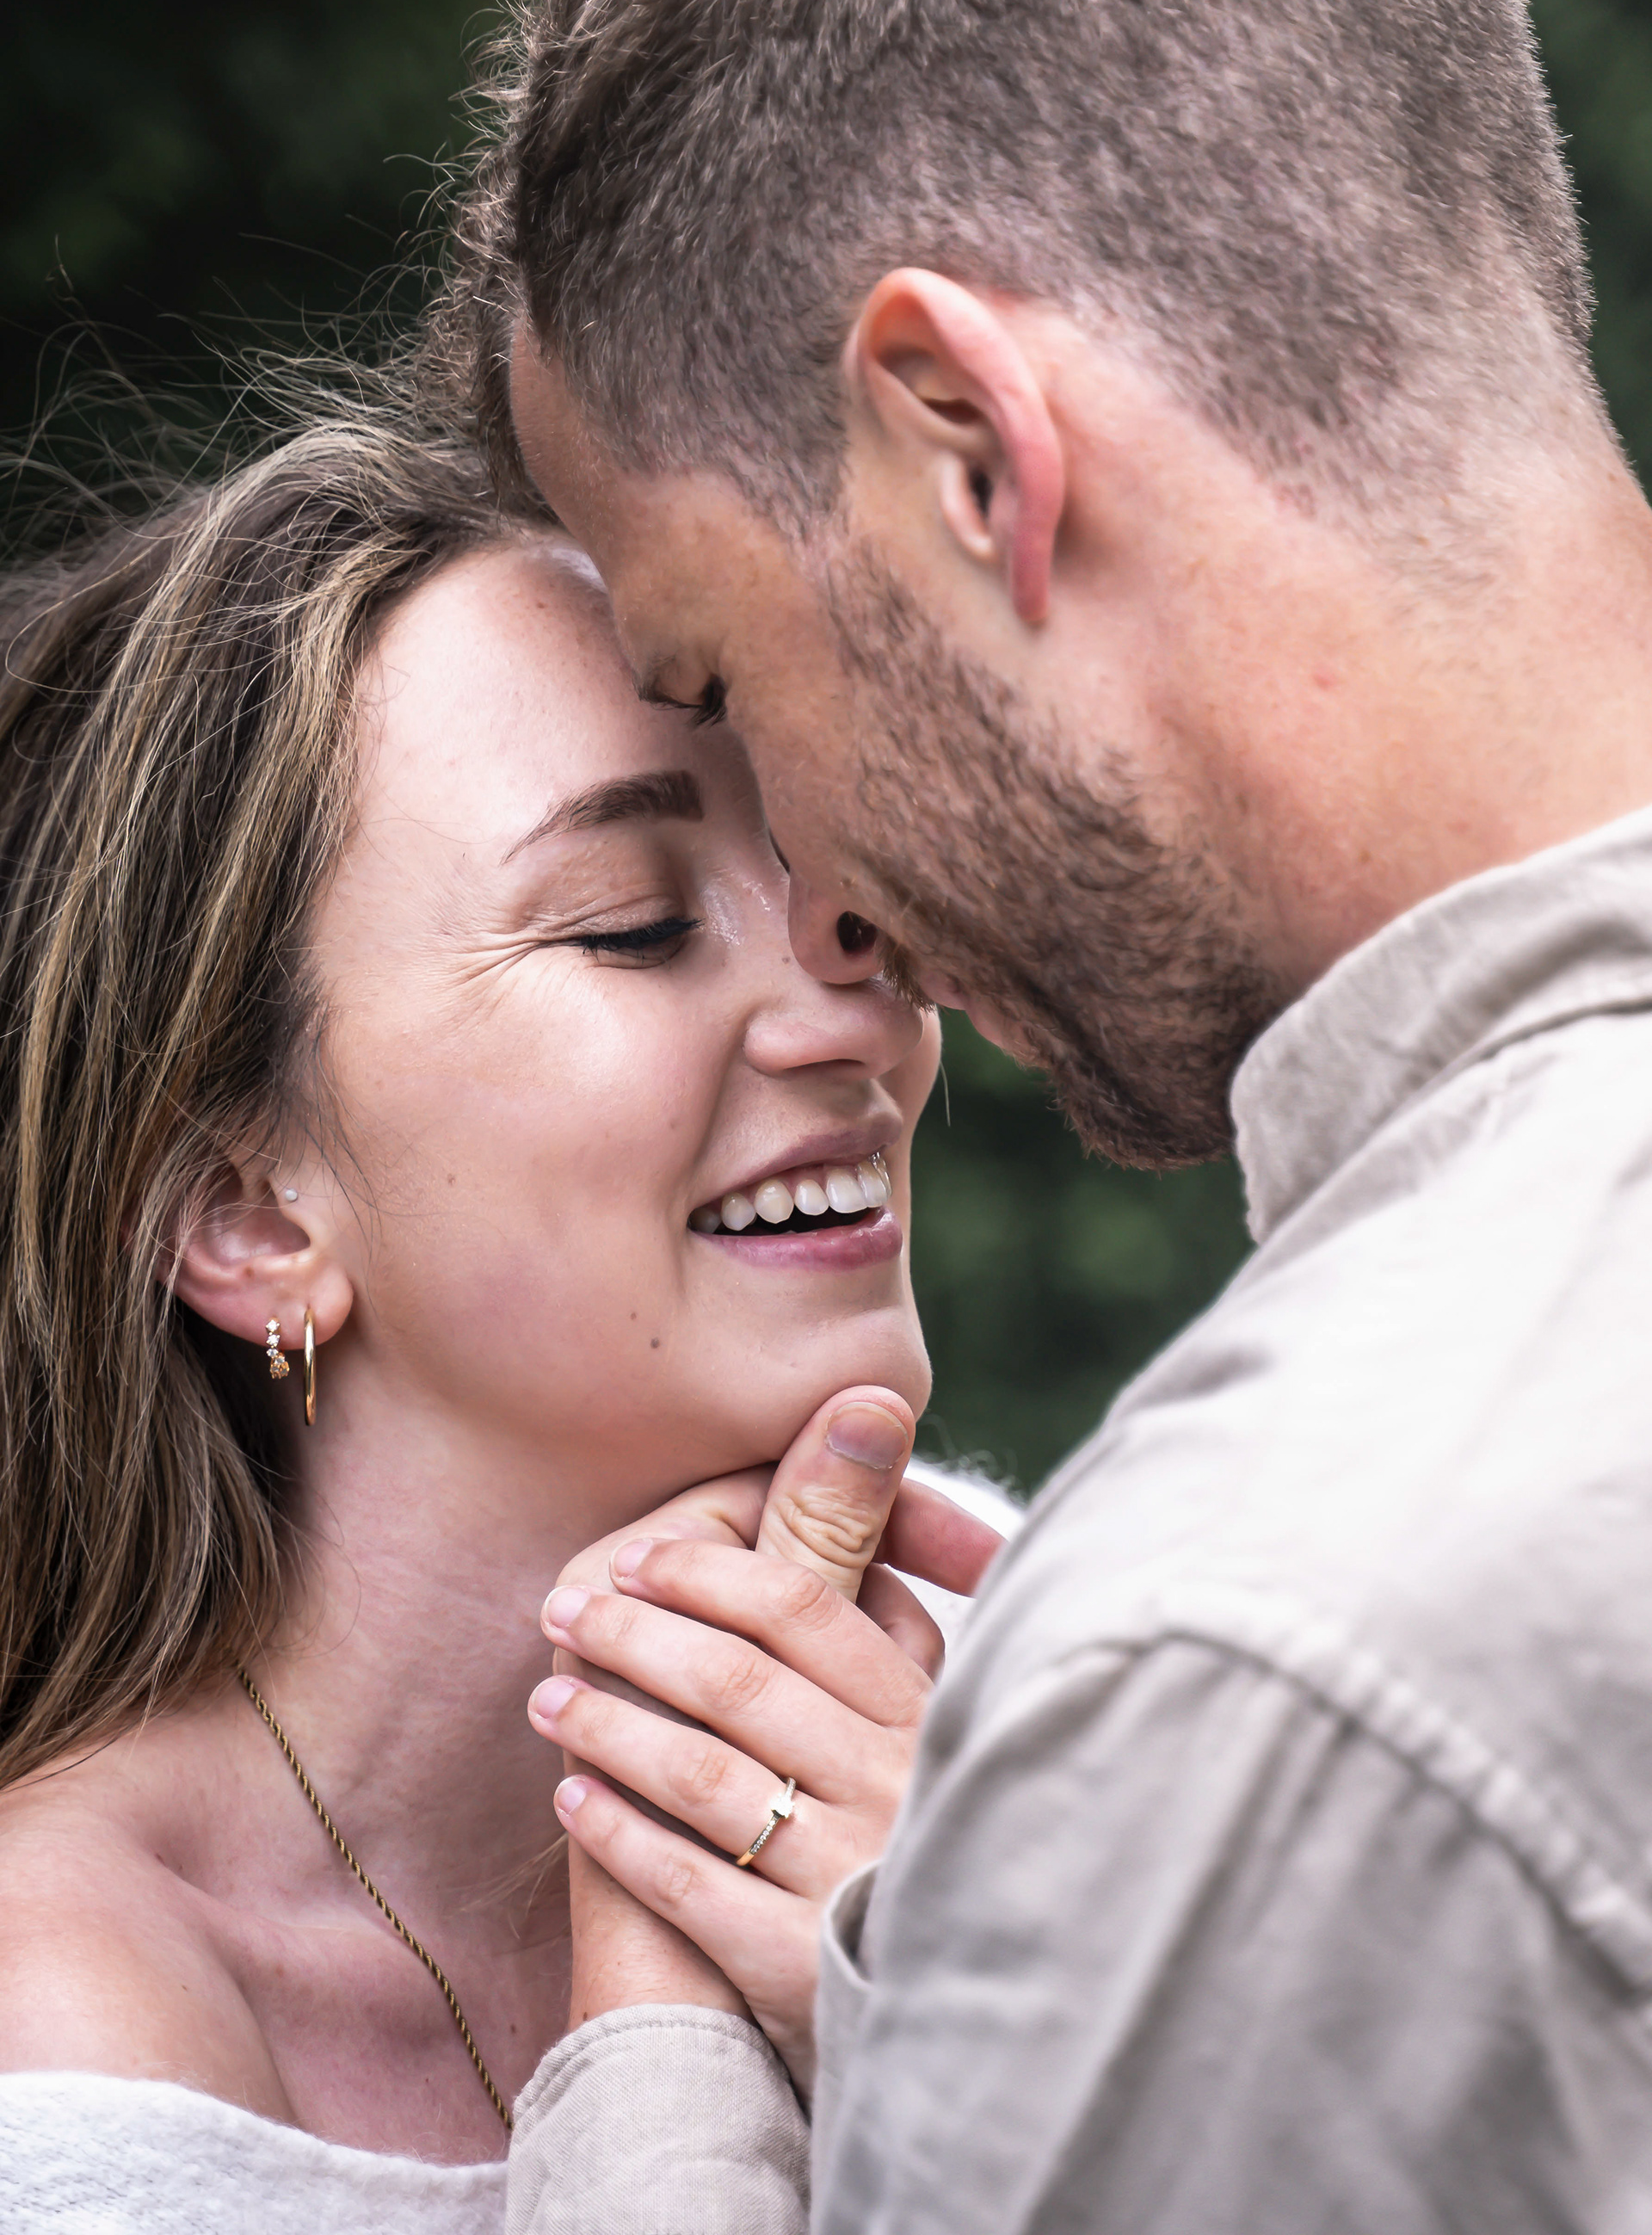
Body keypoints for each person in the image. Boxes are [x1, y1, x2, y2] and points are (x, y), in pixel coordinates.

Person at [441, 0, 1652, 2225]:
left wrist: (719, 2048)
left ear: (968, 453)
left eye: (724, 677)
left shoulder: (1257, 1659)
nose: (830, 921)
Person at [0, 404, 1002, 2230]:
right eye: (630, 924)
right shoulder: (66, 2062)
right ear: (246, 1215)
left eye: (828, 873)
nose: (859, 1005)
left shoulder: (1044, 1670)